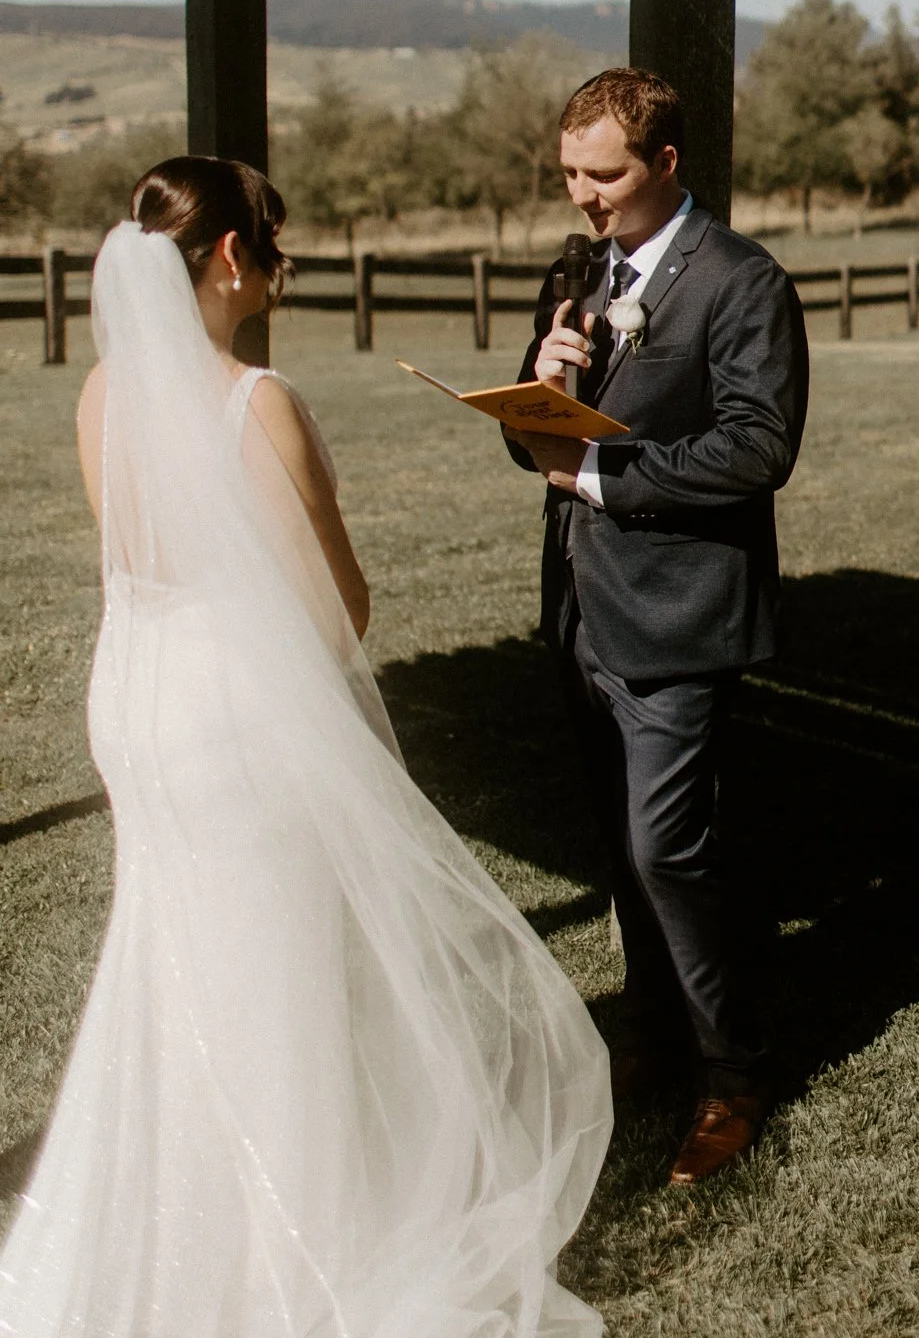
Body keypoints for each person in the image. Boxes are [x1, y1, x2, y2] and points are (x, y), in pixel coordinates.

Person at [0, 156, 611, 1338]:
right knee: (276, 959)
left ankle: (176, 1232)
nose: (277, 252)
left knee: (176, 949)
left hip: (138, 699)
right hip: (232, 706)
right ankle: (293, 1261)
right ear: (231, 256)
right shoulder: (255, 400)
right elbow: (340, 609)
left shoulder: (101, 393)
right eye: (270, 234)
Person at [506, 70, 808, 1187]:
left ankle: (734, 1074)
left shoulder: (742, 280)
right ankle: (652, 1031)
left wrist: (601, 470)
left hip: (677, 619)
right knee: (627, 855)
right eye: (570, 173)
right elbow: (536, 443)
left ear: (666, 163)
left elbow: (756, 448)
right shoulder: (577, 270)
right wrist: (536, 385)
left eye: (605, 174)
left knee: (667, 850)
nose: (582, 196)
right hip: (583, 612)